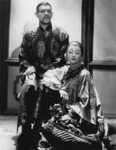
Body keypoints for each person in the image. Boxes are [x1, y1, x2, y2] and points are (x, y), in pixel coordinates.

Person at [33, 41, 105, 150]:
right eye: (70, 52)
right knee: (45, 97)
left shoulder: (84, 74)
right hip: (62, 109)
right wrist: (59, 90)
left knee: (57, 131)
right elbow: (47, 76)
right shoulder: (66, 70)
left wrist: (66, 110)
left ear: (81, 56)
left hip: (79, 116)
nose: (73, 55)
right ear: (66, 54)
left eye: (77, 53)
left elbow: (86, 105)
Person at [17, 1, 69, 150]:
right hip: (34, 75)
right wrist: (30, 71)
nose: (46, 13)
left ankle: (48, 133)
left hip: (54, 75)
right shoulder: (29, 35)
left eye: (48, 11)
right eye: (42, 11)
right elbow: (23, 57)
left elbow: (61, 60)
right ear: (36, 14)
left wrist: (40, 70)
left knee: (48, 89)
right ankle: (27, 132)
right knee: (29, 89)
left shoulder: (62, 34)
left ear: (51, 14)